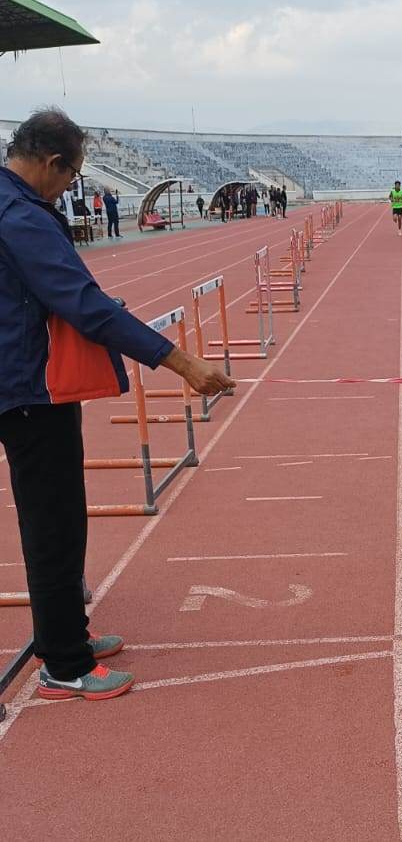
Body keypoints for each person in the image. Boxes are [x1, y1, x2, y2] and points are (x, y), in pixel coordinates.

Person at [0, 108, 235, 702]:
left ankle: (64, 633)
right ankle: (64, 664)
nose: (69, 187)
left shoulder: (14, 205)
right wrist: (181, 362)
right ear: (53, 163)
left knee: (57, 517)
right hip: (29, 390)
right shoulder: (21, 217)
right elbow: (83, 305)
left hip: (23, 379)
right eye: (72, 176)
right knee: (53, 523)